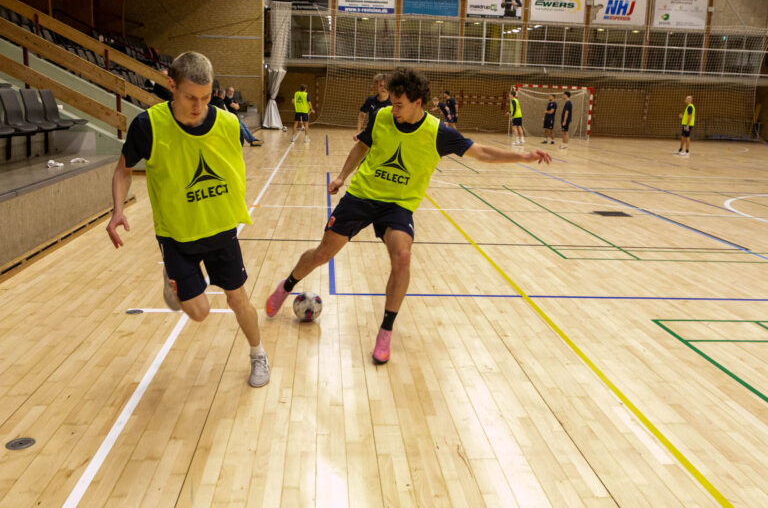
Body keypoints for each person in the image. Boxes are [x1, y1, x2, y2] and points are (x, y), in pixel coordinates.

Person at [264, 67, 551, 365]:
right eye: (392, 103)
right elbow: (363, 145)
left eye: (399, 104)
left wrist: (523, 156)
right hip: (362, 195)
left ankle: (385, 331)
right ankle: (286, 286)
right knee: (323, 253)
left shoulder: (437, 133)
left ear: (417, 103)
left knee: (402, 256)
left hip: (398, 205)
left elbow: (481, 153)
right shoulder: (381, 116)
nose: (392, 108)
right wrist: (341, 177)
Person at [105, 51, 270, 388]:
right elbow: (123, 170)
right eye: (190, 97)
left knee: (238, 299)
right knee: (199, 313)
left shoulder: (227, 124)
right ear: (171, 85)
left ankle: (258, 354)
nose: (198, 105)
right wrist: (117, 209)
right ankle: (176, 278)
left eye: (206, 97)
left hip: (221, 231)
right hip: (176, 235)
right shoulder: (147, 125)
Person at [356, 73, 391, 141]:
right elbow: (362, 114)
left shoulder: (394, 102)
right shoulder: (370, 100)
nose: (383, 88)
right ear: (376, 86)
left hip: (387, 136)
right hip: (371, 133)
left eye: (385, 86)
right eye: (381, 85)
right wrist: (357, 131)